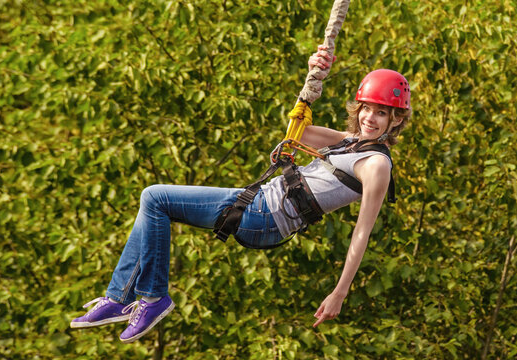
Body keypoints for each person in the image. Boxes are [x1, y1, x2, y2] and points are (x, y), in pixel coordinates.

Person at [70, 45, 411, 342]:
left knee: (154, 197)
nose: (370, 117)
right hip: (258, 202)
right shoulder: (350, 142)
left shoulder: (376, 165)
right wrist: (313, 76)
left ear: (396, 120)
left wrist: (340, 292)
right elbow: (299, 131)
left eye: (381, 113)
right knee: (154, 205)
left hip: (265, 215)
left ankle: (151, 297)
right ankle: (118, 298)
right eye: (366, 108)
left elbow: (361, 233)